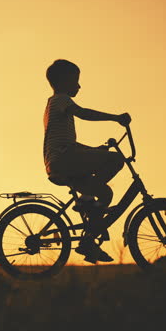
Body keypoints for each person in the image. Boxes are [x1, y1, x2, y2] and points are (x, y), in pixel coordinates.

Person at [43, 59, 130, 263]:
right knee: (116, 159)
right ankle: (86, 199)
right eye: (76, 80)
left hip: (61, 161)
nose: (79, 86)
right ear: (64, 81)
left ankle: (88, 241)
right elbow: (83, 114)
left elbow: (69, 144)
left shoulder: (55, 104)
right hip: (63, 161)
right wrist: (115, 117)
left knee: (106, 193)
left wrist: (94, 150)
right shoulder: (61, 100)